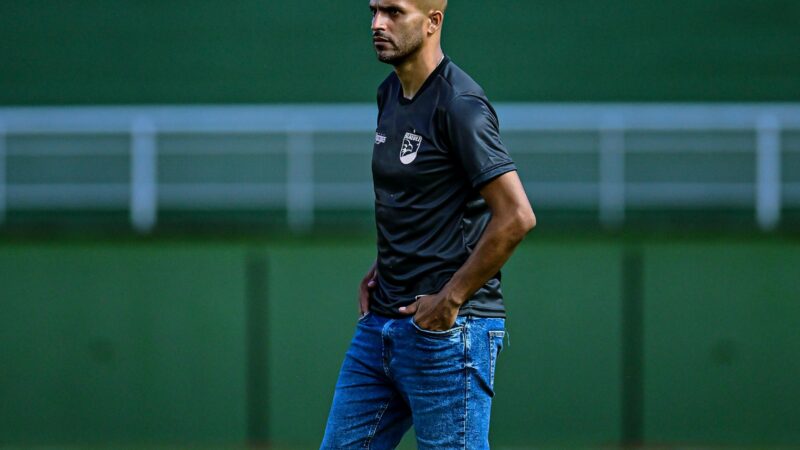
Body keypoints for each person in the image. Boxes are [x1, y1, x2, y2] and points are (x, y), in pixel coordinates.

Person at [321, 0, 536, 448]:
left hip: (448, 332)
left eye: (394, 12)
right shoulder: (388, 93)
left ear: (433, 22)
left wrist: (449, 300)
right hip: (380, 326)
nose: (377, 23)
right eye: (374, 11)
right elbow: (419, 196)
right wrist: (383, 265)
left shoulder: (460, 105)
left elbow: (516, 216)